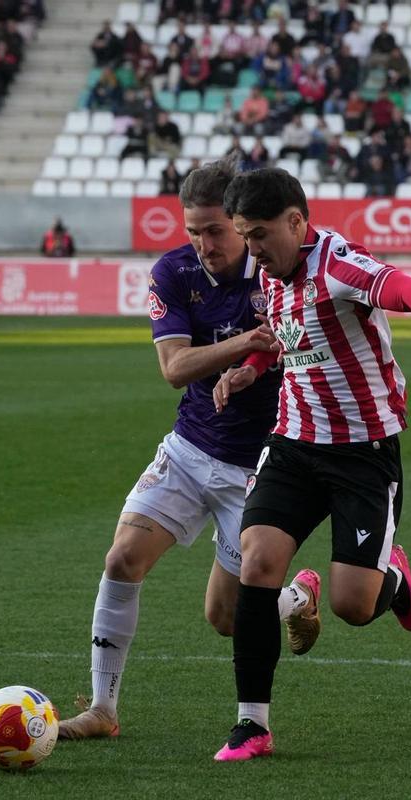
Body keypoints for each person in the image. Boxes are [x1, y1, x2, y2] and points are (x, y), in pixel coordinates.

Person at [212, 167, 411, 761]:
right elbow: (291, 341)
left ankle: (395, 575)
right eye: (244, 236)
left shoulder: (340, 263)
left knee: (354, 607)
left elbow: (409, 290)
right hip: (293, 442)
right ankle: (251, 724)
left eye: (259, 235)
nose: (252, 250)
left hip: (363, 450)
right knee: (256, 561)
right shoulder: (272, 271)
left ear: (296, 222)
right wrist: (252, 370)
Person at [57, 158, 325, 741]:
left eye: (215, 231)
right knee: (120, 558)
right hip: (189, 447)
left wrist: (260, 354)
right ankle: (104, 709)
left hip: (256, 467)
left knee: (226, 619)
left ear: (242, 223)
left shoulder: (281, 271)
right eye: (193, 231)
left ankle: (297, 596)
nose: (204, 244)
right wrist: (246, 345)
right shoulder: (173, 272)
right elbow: (174, 368)